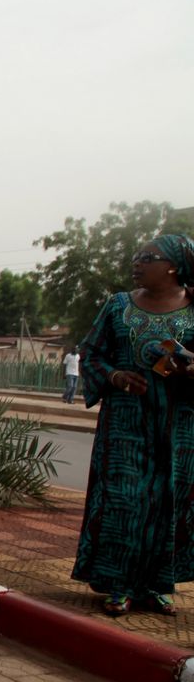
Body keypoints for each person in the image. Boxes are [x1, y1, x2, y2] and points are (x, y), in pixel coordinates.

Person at [73, 235, 194, 617]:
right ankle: (119, 584)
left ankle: (158, 585)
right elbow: (90, 354)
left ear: (173, 266)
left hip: (179, 428)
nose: (137, 263)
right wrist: (116, 377)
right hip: (125, 423)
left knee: (167, 501)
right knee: (126, 499)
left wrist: (188, 370)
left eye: (148, 257)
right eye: (137, 255)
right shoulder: (117, 306)